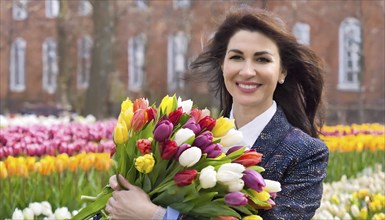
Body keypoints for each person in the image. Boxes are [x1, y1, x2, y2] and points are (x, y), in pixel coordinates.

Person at [105, 6, 329, 220]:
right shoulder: (187, 136)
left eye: (262, 59)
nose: (247, 71)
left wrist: (156, 216)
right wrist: (120, 201)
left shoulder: (305, 154)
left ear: (282, 71)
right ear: (222, 65)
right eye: (236, 57)